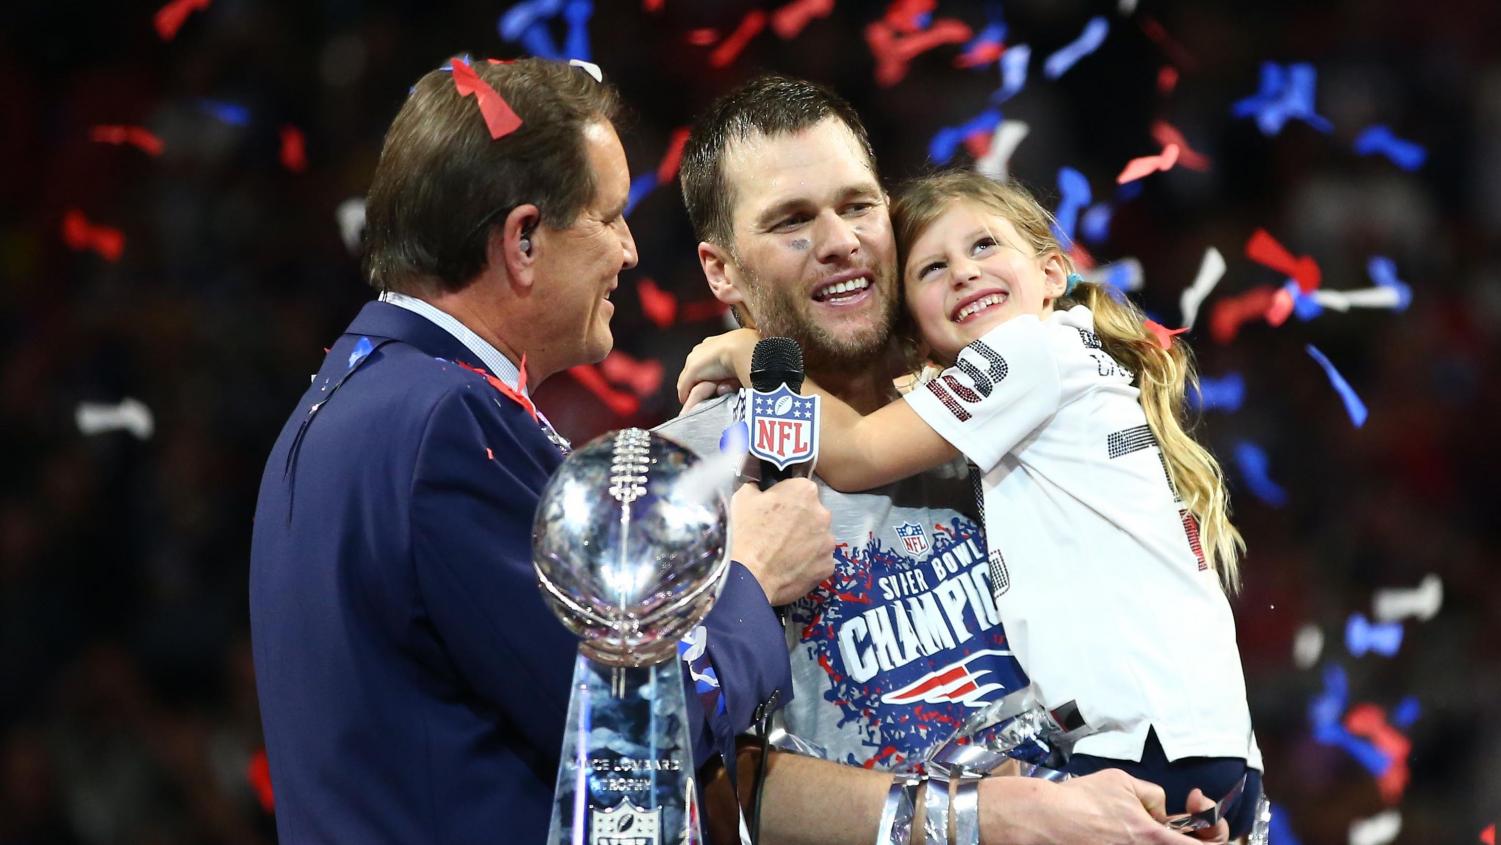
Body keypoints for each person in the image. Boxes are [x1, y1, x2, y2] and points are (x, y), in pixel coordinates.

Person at [248, 58, 835, 844]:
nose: (629, 251)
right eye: (607, 217)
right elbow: (624, 740)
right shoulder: (445, 423)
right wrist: (748, 582)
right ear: (523, 239)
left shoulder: (353, 396)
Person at [661, 75, 1230, 844]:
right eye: (792, 222)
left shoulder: (1012, 409)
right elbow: (675, 781)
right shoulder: (676, 483)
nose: (840, 240)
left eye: (858, 205)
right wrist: (984, 819)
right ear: (721, 270)